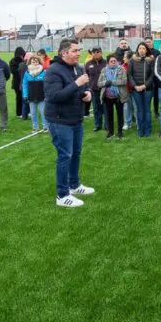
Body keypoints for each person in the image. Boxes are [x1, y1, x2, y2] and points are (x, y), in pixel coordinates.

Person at [44, 39, 95, 208]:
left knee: (76, 153)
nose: (78, 53)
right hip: (59, 120)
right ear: (63, 53)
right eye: (74, 50)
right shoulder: (53, 70)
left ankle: (74, 185)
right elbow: (55, 96)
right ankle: (62, 195)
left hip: (76, 118)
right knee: (65, 155)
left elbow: (83, 87)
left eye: (78, 50)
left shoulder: (78, 68)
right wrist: (76, 84)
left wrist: (87, 93)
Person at [128, 42, 155, 137]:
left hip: (148, 89)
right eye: (140, 48)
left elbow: (152, 75)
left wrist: (145, 86)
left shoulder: (151, 60)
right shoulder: (132, 60)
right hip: (136, 90)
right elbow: (130, 75)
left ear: (146, 50)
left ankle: (148, 130)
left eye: (144, 48)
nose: (142, 50)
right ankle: (141, 130)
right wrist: (135, 86)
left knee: (147, 109)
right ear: (137, 50)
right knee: (140, 110)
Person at [97, 54, 128, 139]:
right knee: (109, 115)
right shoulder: (104, 70)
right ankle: (110, 132)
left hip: (119, 96)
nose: (113, 63)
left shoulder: (121, 69)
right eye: (111, 61)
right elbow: (99, 83)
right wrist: (105, 83)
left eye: (115, 61)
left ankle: (120, 132)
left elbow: (124, 81)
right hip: (107, 97)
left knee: (120, 115)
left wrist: (111, 82)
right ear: (108, 63)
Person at [21, 55, 47, 132]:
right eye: (33, 61)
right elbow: (24, 85)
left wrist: (47, 94)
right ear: (30, 62)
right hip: (31, 96)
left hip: (42, 96)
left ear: (39, 62)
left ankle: (45, 127)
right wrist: (25, 95)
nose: (34, 62)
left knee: (43, 112)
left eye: (36, 61)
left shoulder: (44, 72)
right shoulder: (27, 73)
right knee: (33, 113)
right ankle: (35, 127)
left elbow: (47, 84)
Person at [83, 48, 107, 132]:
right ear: (91, 53)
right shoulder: (88, 64)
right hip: (94, 90)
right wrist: (88, 87)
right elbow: (85, 76)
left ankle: (107, 125)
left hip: (105, 89)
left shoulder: (106, 63)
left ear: (101, 52)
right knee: (96, 108)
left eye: (98, 52)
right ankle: (98, 125)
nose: (96, 53)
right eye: (94, 52)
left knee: (106, 107)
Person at [9, 47, 27, 119]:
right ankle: (19, 113)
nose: (21, 56)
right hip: (17, 83)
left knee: (25, 97)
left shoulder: (25, 61)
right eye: (20, 55)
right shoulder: (13, 61)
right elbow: (13, 71)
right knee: (19, 98)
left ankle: (26, 112)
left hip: (24, 81)